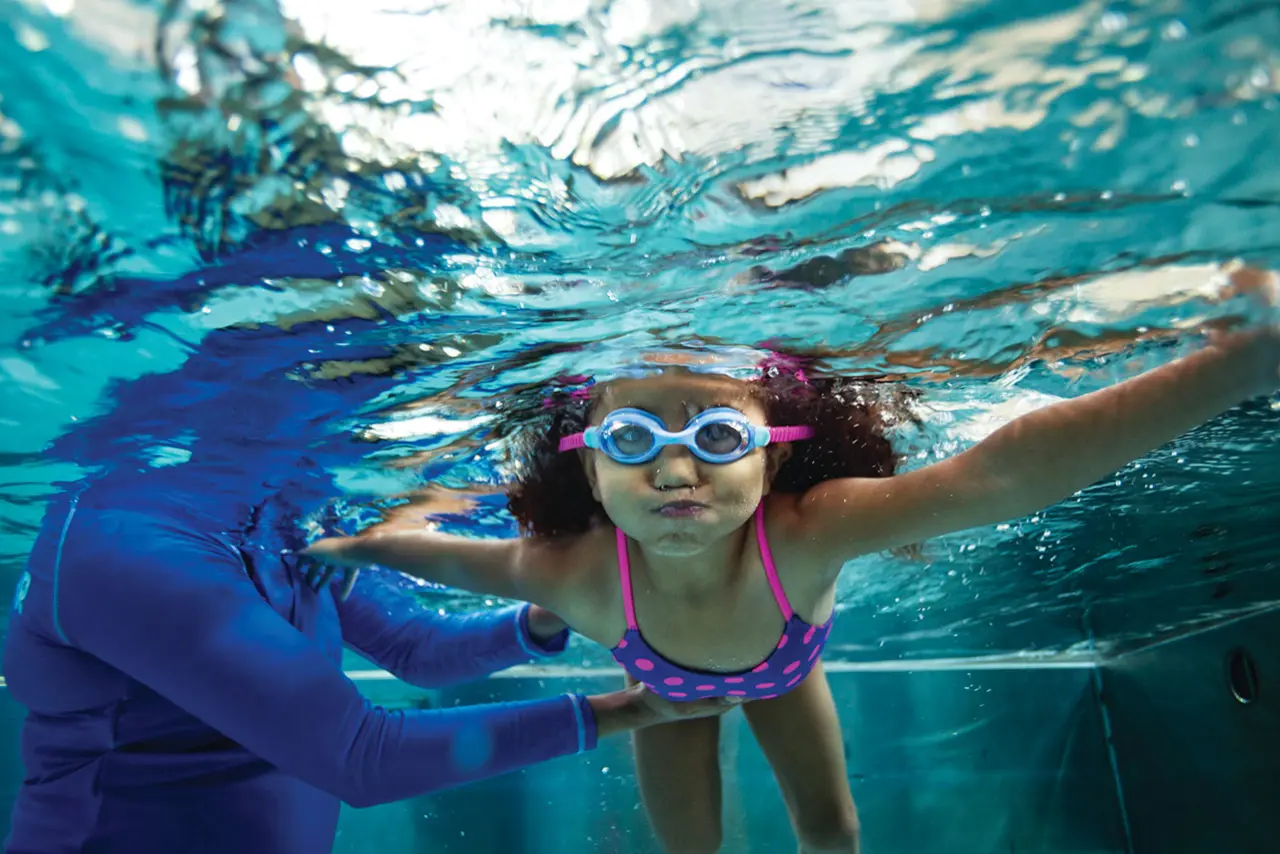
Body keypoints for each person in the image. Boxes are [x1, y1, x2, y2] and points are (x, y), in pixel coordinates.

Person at [308, 265, 1280, 854]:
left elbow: (1003, 472)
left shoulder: (803, 530)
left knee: (832, 831)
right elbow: (446, 559)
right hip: (662, 694)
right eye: (633, 440)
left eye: (718, 437)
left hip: (783, 674)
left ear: (772, 450)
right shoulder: (576, 572)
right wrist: (354, 545)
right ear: (589, 473)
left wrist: (1237, 359)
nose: (676, 468)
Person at [2, 465, 732, 854]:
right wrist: (628, 710)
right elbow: (362, 757)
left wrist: (553, 607)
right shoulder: (124, 535)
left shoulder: (283, 520)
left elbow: (413, 647)